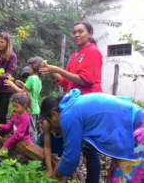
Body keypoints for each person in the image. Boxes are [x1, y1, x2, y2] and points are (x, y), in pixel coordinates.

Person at [39, 21, 103, 182]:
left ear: (90, 33)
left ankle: (92, 180)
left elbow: (85, 80)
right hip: (74, 106)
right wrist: (52, 72)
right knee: (78, 143)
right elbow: (67, 82)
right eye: (74, 32)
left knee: (90, 146)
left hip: (88, 104)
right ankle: (68, 173)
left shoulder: (93, 52)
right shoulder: (75, 55)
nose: (76, 35)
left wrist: (58, 69)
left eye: (80, 31)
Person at [41, 89, 144, 183]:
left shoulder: (68, 116)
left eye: (50, 124)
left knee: (121, 179)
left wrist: (52, 178)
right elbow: (70, 154)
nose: (53, 129)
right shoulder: (72, 106)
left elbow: (71, 159)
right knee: (114, 178)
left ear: (54, 114)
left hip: (137, 130)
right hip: (133, 126)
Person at [4, 56, 43, 142]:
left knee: (31, 130)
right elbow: (30, 91)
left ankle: (33, 147)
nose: (28, 69)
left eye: (29, 67)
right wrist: (22, 84)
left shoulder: (30, 78)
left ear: (34, 67)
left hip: (29, 108)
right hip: (35, 108)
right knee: (33, 129)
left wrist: (11, 84)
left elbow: (23, 93)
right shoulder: (38, 79)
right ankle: (30, 145)